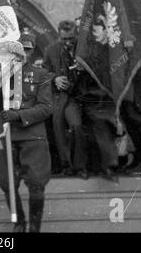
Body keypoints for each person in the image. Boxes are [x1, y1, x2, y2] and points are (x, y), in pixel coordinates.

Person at [0, 35, 53, 232]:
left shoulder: (41, 75)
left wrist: (19, 115)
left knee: (37, 183)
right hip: (5, 134)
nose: (22, 54)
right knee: (6, 182)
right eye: (17, 50)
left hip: (32, 134)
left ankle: (34, 228)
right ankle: (19, 222)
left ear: (32, 52)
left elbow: (46, 107)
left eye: (27, 50)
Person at [43, 20, 88, 178]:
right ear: (58, 35)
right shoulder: (51, 50)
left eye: (71, 39)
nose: (68, 42)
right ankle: (66, 165)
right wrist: (54, 79)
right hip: (58, 97)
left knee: (76, 126)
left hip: (76, 97)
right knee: (59, 129)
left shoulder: (83, 48)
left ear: (76, 35)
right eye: (64, 39)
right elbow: (44, 72)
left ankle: (80, 166)